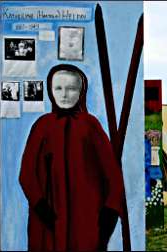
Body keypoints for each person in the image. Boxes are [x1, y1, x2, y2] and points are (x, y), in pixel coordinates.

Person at [19, 64, 125, 251]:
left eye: (71, 88)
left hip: (86, 220)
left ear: (81, 91)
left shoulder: (91, 126)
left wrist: (109, 213)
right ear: (50, 90)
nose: (65, 94)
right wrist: (41, 206)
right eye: (58, 88)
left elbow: (112, 175)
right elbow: (27, 174)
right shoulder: (42, 126)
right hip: (48, 222)